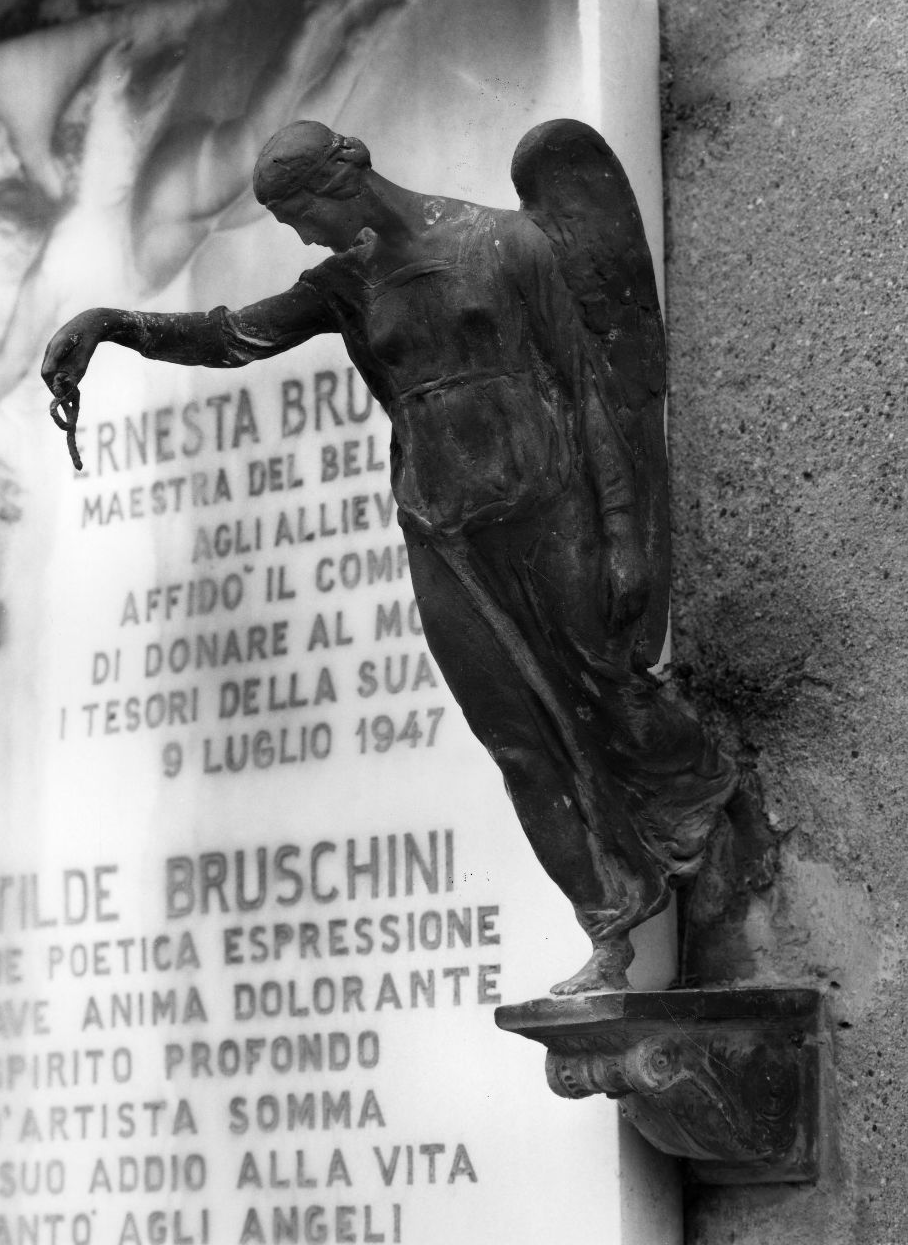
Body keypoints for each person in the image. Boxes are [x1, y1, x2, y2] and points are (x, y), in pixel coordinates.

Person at [42, 120, 737, 992]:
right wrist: (112, 325)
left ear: (343, 182)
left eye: (300, 216)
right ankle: (607, 928)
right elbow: (230, 336)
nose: (301, 237)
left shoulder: (505, 243)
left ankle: (705, 809)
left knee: (613, 693)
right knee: (513, 737)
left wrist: (627, 529)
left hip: (549, 513)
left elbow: (589, 387)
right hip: (443, 535)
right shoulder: (344, 285)